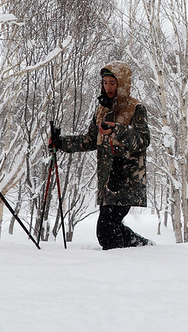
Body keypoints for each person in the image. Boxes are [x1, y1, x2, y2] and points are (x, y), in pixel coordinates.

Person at [51, 61, 152, 250]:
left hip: (127, 178)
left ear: (122, 84)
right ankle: (142, 247)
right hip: (107, 179)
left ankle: (118, 261)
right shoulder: (102, 109)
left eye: (112, 83)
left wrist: (117, 130)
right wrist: (61, 143)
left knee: (106, 228)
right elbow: (91, 140)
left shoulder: (135, 108)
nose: (108, 87)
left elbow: (142, 140)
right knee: (110, 226)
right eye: (105, 83)